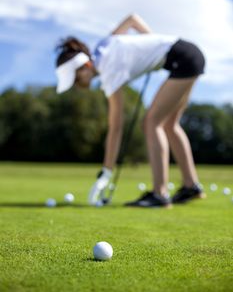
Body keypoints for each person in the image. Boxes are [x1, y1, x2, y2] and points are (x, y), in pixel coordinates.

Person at [55, 13, 206, 208]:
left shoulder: (109, 71)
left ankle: (160, 194)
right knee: (169, 124)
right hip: (189, 54)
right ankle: (191, 186)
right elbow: (132, 20)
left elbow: (116, 126)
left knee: (151, 123)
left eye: (76, 78)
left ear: (85, 66)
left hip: (183, 60)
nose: (77, 84)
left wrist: (107, 171)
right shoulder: (104, 44)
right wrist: (154, 44)